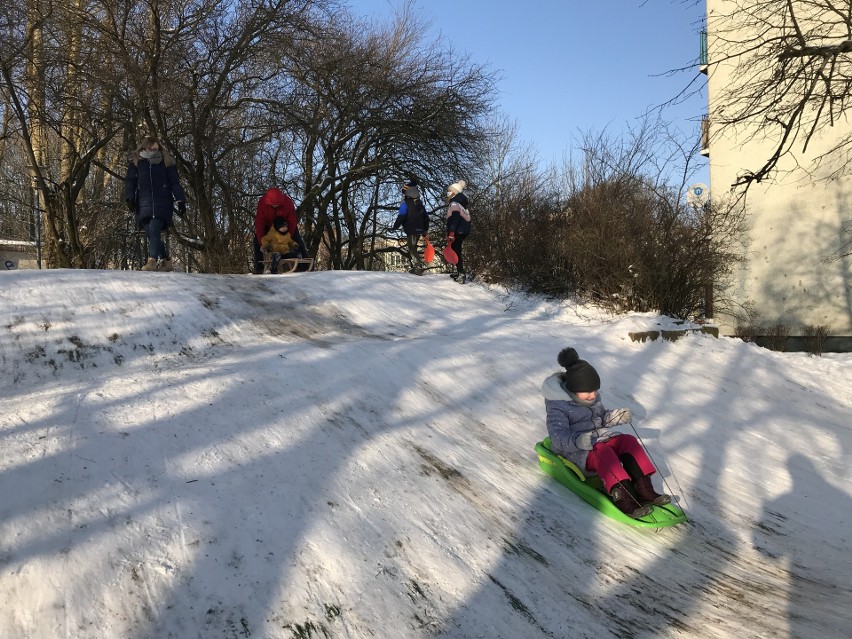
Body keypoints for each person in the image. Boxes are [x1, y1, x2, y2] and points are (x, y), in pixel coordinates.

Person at [541, 347, 671, 518]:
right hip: (576, 452)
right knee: (604, 451)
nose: (593, 395)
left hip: (597, 440)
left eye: (595, 390)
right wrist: (578, 441)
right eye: (588, 391)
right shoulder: (558, 407)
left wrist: (615, 417)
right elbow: (557, 437)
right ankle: (625, 499)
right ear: (573, 390)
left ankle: (645, 490)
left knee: (628, 441)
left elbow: (601, 418)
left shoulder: (591, 400)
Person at [125, 136, 187, 272]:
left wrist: (180, 200)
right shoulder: (137, 163)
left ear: (159, 148)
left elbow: (174, 183)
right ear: (144, 147)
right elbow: (130, 181)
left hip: (163, 203)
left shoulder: (166, 162)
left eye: (155, 148)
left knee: (154, 228)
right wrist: (130, 198)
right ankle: (166, 261)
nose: (153, 150)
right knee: (151, 233)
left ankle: (152, 261)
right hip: (143, 204)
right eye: (150, 148)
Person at [253, 187, 307, 274]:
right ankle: (258, 268)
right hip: (268, 226)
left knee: (297, 240)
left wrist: (287, 235)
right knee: (256, 241)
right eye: (272, 205)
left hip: (284, 226)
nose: (275, 206)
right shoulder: (262, 203)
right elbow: (260, 223)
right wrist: (262, 243)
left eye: (277, 204)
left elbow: (292, 220)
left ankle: (304, 266)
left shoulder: (288, 202)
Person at [392, 177, 429, 272]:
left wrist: (395, 227)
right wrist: (425, 230)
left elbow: (402, 216)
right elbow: (426, 217)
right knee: (413, 246)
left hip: (411, 229)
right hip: (420, 229)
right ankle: (417, 265)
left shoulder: (405, 204)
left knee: (411, 248)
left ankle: (418, 266)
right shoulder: (419, 204)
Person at [445, 180, 471, 283]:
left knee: (457, 251)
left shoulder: (455, 204)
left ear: (454, 192)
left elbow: (455, 219)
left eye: (449, 191)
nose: (448, 193)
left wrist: (451, 232)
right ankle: (459, 271)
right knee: (456, 250)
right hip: (462, 231)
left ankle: (461, 273)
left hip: (457, 231)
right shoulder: (462, 205)